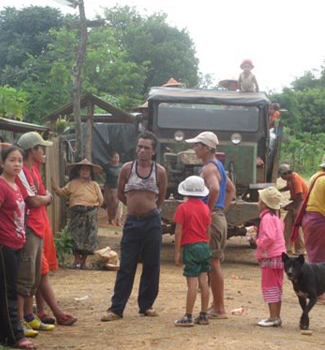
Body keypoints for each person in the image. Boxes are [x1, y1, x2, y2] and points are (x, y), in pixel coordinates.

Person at [101, 131, 168, 321]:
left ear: (153, 151)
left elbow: (161, 197)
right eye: (139, 147)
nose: (142, 151)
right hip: (132, 222)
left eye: (146, 148)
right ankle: (116, 308)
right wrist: (134, 206)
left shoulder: (159, 171)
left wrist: (149, 208)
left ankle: (146, 305)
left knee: (152, 264)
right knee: (126, 265)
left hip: (152, 222)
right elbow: (121, 194)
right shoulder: (127, 169)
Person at [0, 146, 35, 349]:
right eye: (12, 160)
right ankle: (16, 336)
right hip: (2, 244)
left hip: (16, 242)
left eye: (20, 160)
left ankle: (0, 335)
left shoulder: (15, 185)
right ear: (2, 163)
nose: (17, 164)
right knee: (10, 291)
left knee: (2, 291)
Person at [185, 131, 236, 319]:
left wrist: (207, 211)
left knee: (213, 263)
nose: (194, 148)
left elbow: (214, 188)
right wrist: (221, 209)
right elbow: (230, 189)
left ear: (206, 148)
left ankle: (219, 307)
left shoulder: (208, 169)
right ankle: (216, 304)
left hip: (212, 219)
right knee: (214, 262)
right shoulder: (219, 166)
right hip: (218, 217)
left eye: (197, 145)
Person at [14, 132, 56, 337]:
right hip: (29, 227)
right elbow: (33, 200)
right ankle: (20, 319)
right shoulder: (23, 171)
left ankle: (29, 316)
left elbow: (41, 196)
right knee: (25, 275)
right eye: (41, 149)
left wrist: (44, 197)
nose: (44, 152)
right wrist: (47, 197)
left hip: (37, 227)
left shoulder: (33, 170)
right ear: (32, 150)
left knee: (33, 276)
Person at [294, 151, 325, 304]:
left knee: (313, 255)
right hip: (318, 221)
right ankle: (319, 293)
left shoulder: (315, 177)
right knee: (320, 259)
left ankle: (311, 289)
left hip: (309, 219)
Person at [173, 176, 212, 327]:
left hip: (190, 246)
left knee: (192, 284)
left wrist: (177, 252)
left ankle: (188, 316)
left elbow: (178, 231)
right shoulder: (205, 208)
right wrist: (206, 245)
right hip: (204, 245)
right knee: (204, 282)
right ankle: (203, 315)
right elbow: (208, 229)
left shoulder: (182, 208)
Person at [52, 158, 104, 269]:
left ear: (90, 172)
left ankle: (83, 262)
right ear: (78, 171)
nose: (85, 171)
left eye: (87, 170)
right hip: (76, 212)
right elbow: (61, 192)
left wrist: (94, 210)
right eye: (82, 169)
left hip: (90, 213)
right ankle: (77, 259)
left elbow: (101, 200)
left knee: (88, 238)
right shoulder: (72, 183)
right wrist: (54, 187)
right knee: (73, 237)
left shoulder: (94, 185)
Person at [253, 187, 286, 327]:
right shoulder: (276, 217)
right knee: (277, 287)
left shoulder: (266, 218)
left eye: (259, 199)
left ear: (264, 204)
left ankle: (273, 317)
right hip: (279, 256)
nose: (258, 201)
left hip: (270, 257)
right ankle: (276, 316)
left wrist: (257, 241)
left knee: (270, 286)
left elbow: (269, 237)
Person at [278, 164, 306, 255]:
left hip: (301, 203)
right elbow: (288, 187)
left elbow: (301, 197)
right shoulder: (290, 179)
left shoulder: (295, 179)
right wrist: (278, 190)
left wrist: (296, 209)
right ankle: (287, 247)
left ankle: (300, 249)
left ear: (286, 174)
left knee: (296, 226)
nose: (282, 178)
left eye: (282, 176)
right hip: (296, 202)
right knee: (287, 224)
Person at [103, 151, 123, 226]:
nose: (116, 159)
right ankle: (110, 220)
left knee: (117, 204)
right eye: (114, 157)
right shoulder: (107, 166)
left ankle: (117, 220)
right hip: (108, 187)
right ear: (111, 158)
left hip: (118, 187)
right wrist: (104, 182)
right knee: (109, 204)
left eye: (117, 157)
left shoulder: (121, 166)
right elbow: (100, 172)